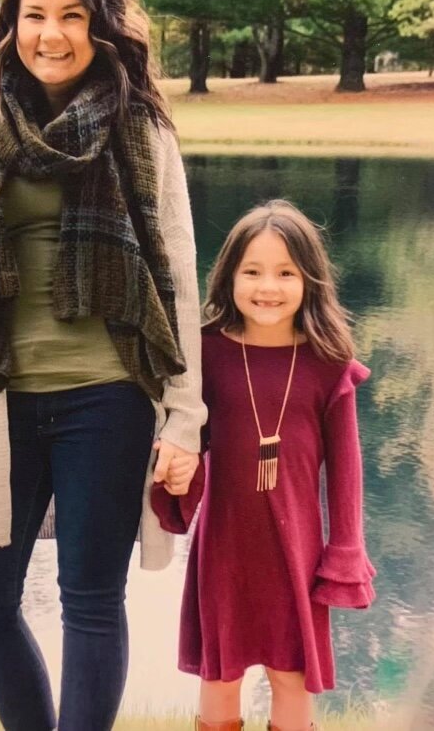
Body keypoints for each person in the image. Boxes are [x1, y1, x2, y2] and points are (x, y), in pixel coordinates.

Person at [0, 0, 205, 731]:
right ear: (11, 25)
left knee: (91, 600)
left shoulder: (141, 131)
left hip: (110, 395)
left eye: (72, 15)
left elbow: (176, 273)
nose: (52, 33)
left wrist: (184, 417)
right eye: (35, 15)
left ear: (100, 26)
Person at [152, 200, 376, 731]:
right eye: (251, 272)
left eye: (285, 273)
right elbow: (189, 445)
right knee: (220, 675)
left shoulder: (329, 363)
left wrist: (344, 552)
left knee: (291, 674)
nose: (267, 287)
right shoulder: (204, 353)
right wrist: (181, 478)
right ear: (228, 275)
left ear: (310, 280)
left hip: (297, 551)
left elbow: (346, 472)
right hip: (224, 547)